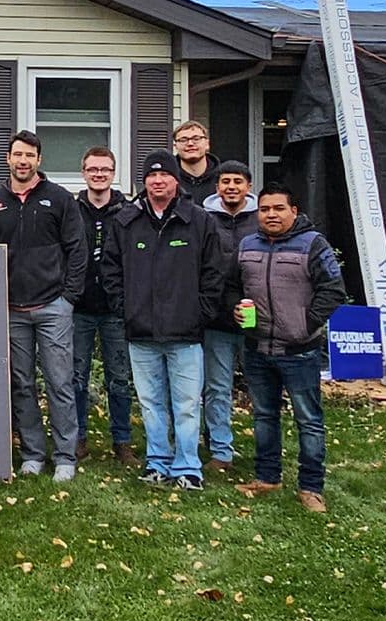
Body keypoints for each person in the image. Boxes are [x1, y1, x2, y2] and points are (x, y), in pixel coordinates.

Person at [102, 151, 224, 491]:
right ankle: (157, 461)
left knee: (186, 404)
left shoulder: (199, 221)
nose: (158, 181)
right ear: (145, 182)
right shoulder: (126, 221)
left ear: (176, 180)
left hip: (185, 332)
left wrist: (200, 312)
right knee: (151, 403)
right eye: (152, 176)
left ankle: (187, 466)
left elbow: (214, 273)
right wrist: (125, 308)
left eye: (165, 176)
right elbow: (110, 270)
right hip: (141, 331)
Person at [0, 131, 85, 480]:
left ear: (39, 160)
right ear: (8, 159)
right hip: (12, 309)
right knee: (22, 384)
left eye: (30, 156)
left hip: (53, 306)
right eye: (17, 155)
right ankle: (33, 454)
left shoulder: (60, 199)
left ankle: (66, 456)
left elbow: (77, 250)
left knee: (59, 382)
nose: (23, 161)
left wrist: (68, 298)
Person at [235, 184, 348, 512]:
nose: (271, 214)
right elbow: (232, 286)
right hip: (257, 347)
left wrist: (306, 324)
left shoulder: (313, 244)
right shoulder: (247, 245)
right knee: (264, 416)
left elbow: (333, 289)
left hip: (300, 351)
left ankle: (311, 487)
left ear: (294, 211)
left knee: (308, 419)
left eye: (278, 208)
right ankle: (268, 477)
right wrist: (234, 308)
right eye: (265, 209)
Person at [71, 146, 136, 464]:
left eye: (105, 170)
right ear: (83, 172)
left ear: (113, 173)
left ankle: (122, 441)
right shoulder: (71, 209)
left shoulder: (127, 212)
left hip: (115, 309)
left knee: (120, 378)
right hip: (79, 307)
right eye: (93, 169)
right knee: (76, 375)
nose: (99, 174)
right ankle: (78, 437)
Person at [201, 160, 259, 472]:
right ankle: (221, 451)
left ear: (248, 186)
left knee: (260, 386)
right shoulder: (204, 219)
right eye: (225, 182)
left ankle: (266, 449)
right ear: (217, 187)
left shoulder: (261, 219)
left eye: (237, 181)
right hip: (217, 319)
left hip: (254, 319)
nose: (231, 187)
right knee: (217, 388)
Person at [172, 121, 220, 207]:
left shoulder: (223, 178)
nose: (190, 144)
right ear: (175, 146)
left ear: (207, 144)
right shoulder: (169, 180)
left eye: (196, 139)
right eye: (183, 140)